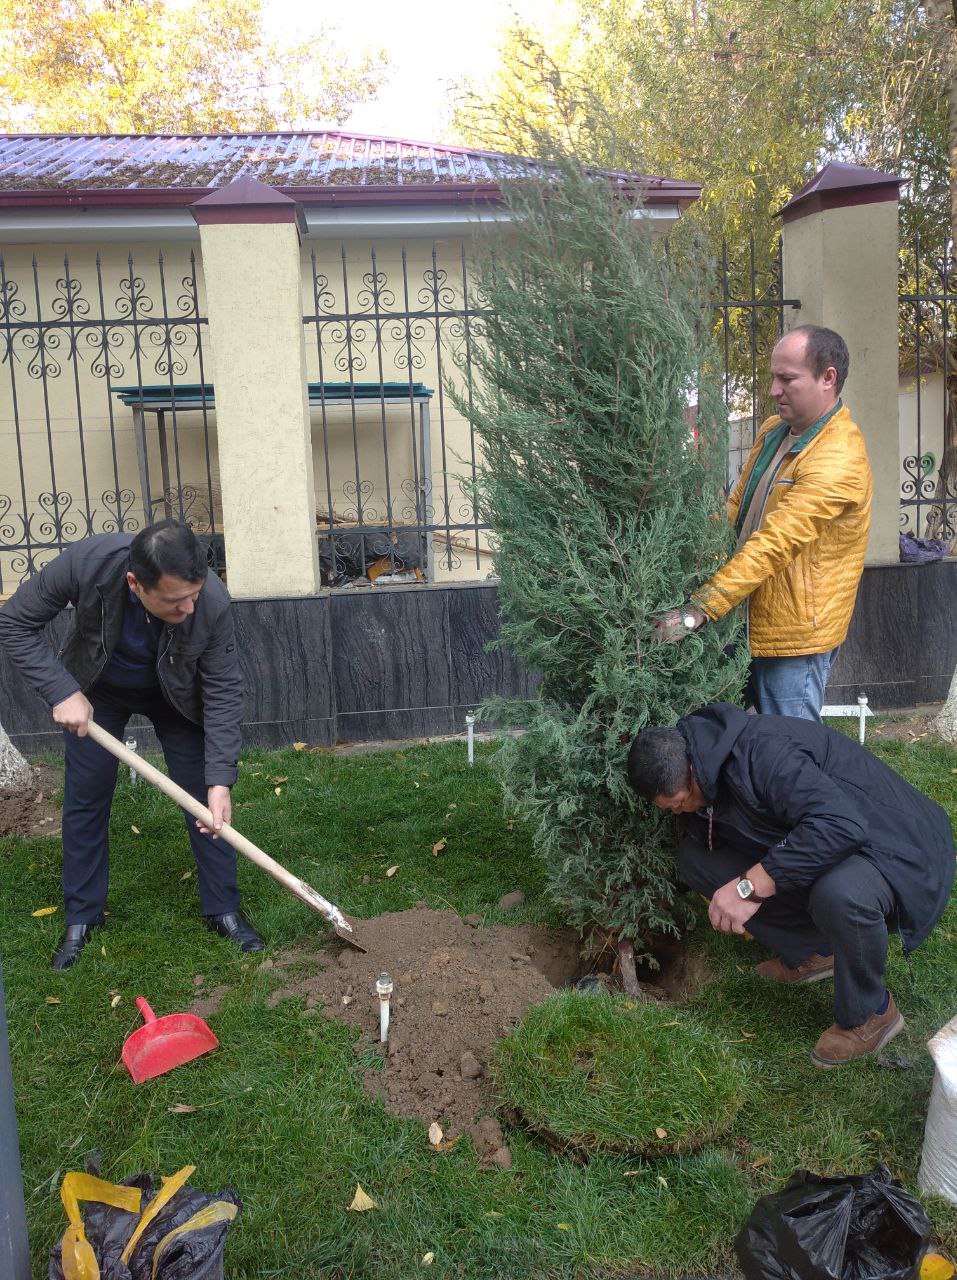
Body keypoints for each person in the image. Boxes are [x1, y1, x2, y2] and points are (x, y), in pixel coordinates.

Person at [627, 703, 955, 1067]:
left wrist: (747, 888)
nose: (679, 811)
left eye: (678, 802)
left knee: (840, 894)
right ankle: (818, 949)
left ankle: (872, 1013)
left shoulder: (765, 753)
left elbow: (841, 826)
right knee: (697, 860)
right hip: (824, 834)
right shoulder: (705, 765)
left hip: (894, 844)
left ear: (691, 770)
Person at [0, 521, 264, 968]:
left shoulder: (211, 600)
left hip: (178, 695)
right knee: (86, 797)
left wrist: (221, 779)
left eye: (194, 594)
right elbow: (14, 622)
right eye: (176, 600)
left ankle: (223, 908)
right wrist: (61, 691)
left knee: (206, 801)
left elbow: (223, 688)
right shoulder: (88, 564)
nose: (189, 606)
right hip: (98, 691)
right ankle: (83, 915)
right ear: (134, 584)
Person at [658, 325, 872, 721]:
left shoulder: (840, 457)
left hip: (793, 637)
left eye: (787, 379)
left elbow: (775, 542)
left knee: (790, 754)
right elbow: (737, 509)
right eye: (774, 377)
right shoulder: (774, 431)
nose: (775, 389)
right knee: (730, 738)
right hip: (745, 612)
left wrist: (700, 609)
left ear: (828, 378)